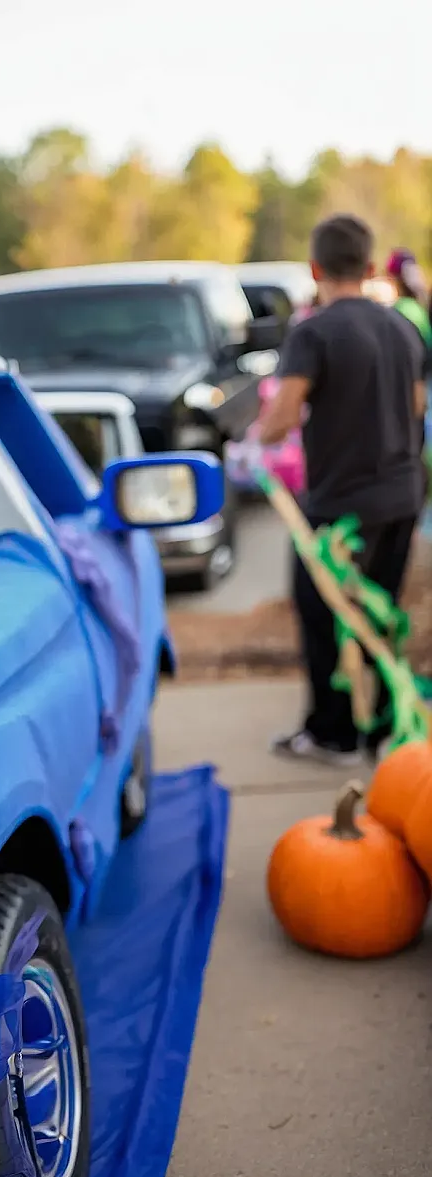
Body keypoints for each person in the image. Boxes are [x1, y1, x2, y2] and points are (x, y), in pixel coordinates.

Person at [256, 214, 427, 765]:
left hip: (339, 506)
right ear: (371, 268)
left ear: (315, 268)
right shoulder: (404, 326)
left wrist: (251, 442)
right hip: (402, 495)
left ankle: (333, 735)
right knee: (379, 612)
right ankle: (378, 730)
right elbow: (419, 405)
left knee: (320, 612)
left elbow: (280, 420)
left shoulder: (313, 332)